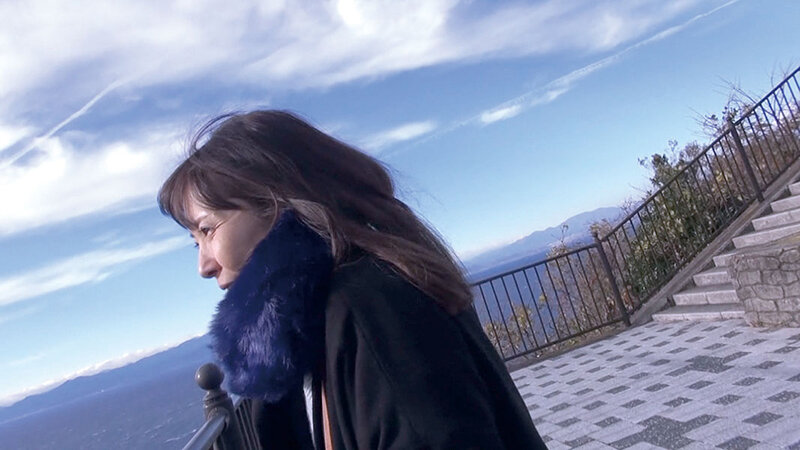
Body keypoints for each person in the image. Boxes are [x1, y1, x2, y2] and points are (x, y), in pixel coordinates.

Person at [158, 110, 547, 449]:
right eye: (195, 242)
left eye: (207, 230)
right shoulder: (324, 317)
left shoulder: (370, 309)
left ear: (277, 204)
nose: (203, 265)